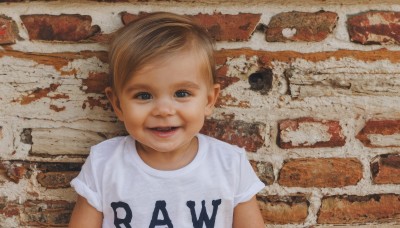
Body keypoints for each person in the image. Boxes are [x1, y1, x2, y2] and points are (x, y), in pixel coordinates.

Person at [69, 12, 265, 228]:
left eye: (181, 93)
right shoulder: (104, 164)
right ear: (118, 105)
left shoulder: (229, 165)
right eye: (144, 96)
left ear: (209, 100)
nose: (163, 110)